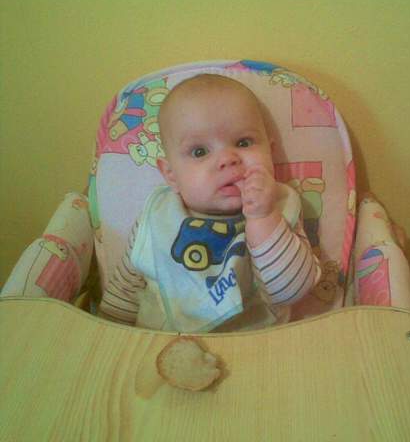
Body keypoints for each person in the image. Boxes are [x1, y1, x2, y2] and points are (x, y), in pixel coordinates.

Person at [98, 74, 321, 332]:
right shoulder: (158, 218)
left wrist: (263, 217)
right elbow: (125, 289)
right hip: (160, 343)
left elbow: (291, 291)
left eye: (243, 142)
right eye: (200, 152)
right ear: (171, 175)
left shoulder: (279, 208)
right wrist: (108, 333)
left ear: (270, 152)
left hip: (256, 346)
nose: (227, 159)